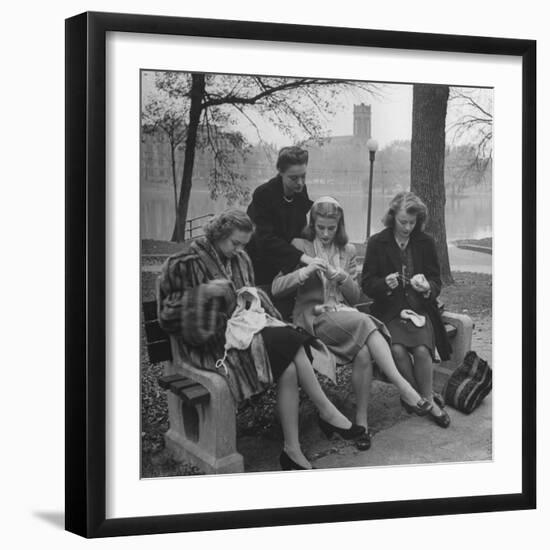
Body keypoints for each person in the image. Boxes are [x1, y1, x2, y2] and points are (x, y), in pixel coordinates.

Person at [158, 209, 365, 471]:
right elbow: (167, 315)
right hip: (211, 346)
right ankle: (326, 410)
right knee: (291, 339)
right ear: (219, 234)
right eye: (235, 243)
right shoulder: (184, 263)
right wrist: (204, 292)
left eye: (244, 244)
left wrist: (250, 301)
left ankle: (292, 450)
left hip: (244, 333)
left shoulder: (241, 259)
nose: (239, 249)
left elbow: (249, 298)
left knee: (289, 366)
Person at [271, 197, 432, 451]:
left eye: (331, 228)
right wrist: (304, 271)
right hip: (313, 318)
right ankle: (405, 388)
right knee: (364, 321)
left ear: (339, 226)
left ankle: (361, 423)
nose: (325, 233)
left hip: (343, 319)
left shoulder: (347, 251)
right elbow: (276, 288)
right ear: (312, 224)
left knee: (365, 352)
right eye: (320, 227)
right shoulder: (299, 246)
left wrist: (344, 278)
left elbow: (355, 296)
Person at [361, 192, 452, 428]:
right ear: (392, 217)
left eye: (412, 222)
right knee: (398, 351)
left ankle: (426, 399)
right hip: (389, 311)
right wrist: (384, 284)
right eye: (403, 222)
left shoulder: (426, 242)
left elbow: (436, 281)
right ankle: (422, 399)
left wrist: (426, 288)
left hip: (419, 309)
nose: (408, 227)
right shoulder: (377, 242)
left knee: (422, 351)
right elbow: (367, 283)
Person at [246, 146, 319, 318]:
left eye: (303, 176)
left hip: (287, 268)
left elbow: (301, 230)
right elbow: (265, 240)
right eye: (294, 178)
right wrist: (302, 257)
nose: (300, 182)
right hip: (261, 268)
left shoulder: (300, 191)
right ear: (280, 172)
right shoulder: (264, 194)